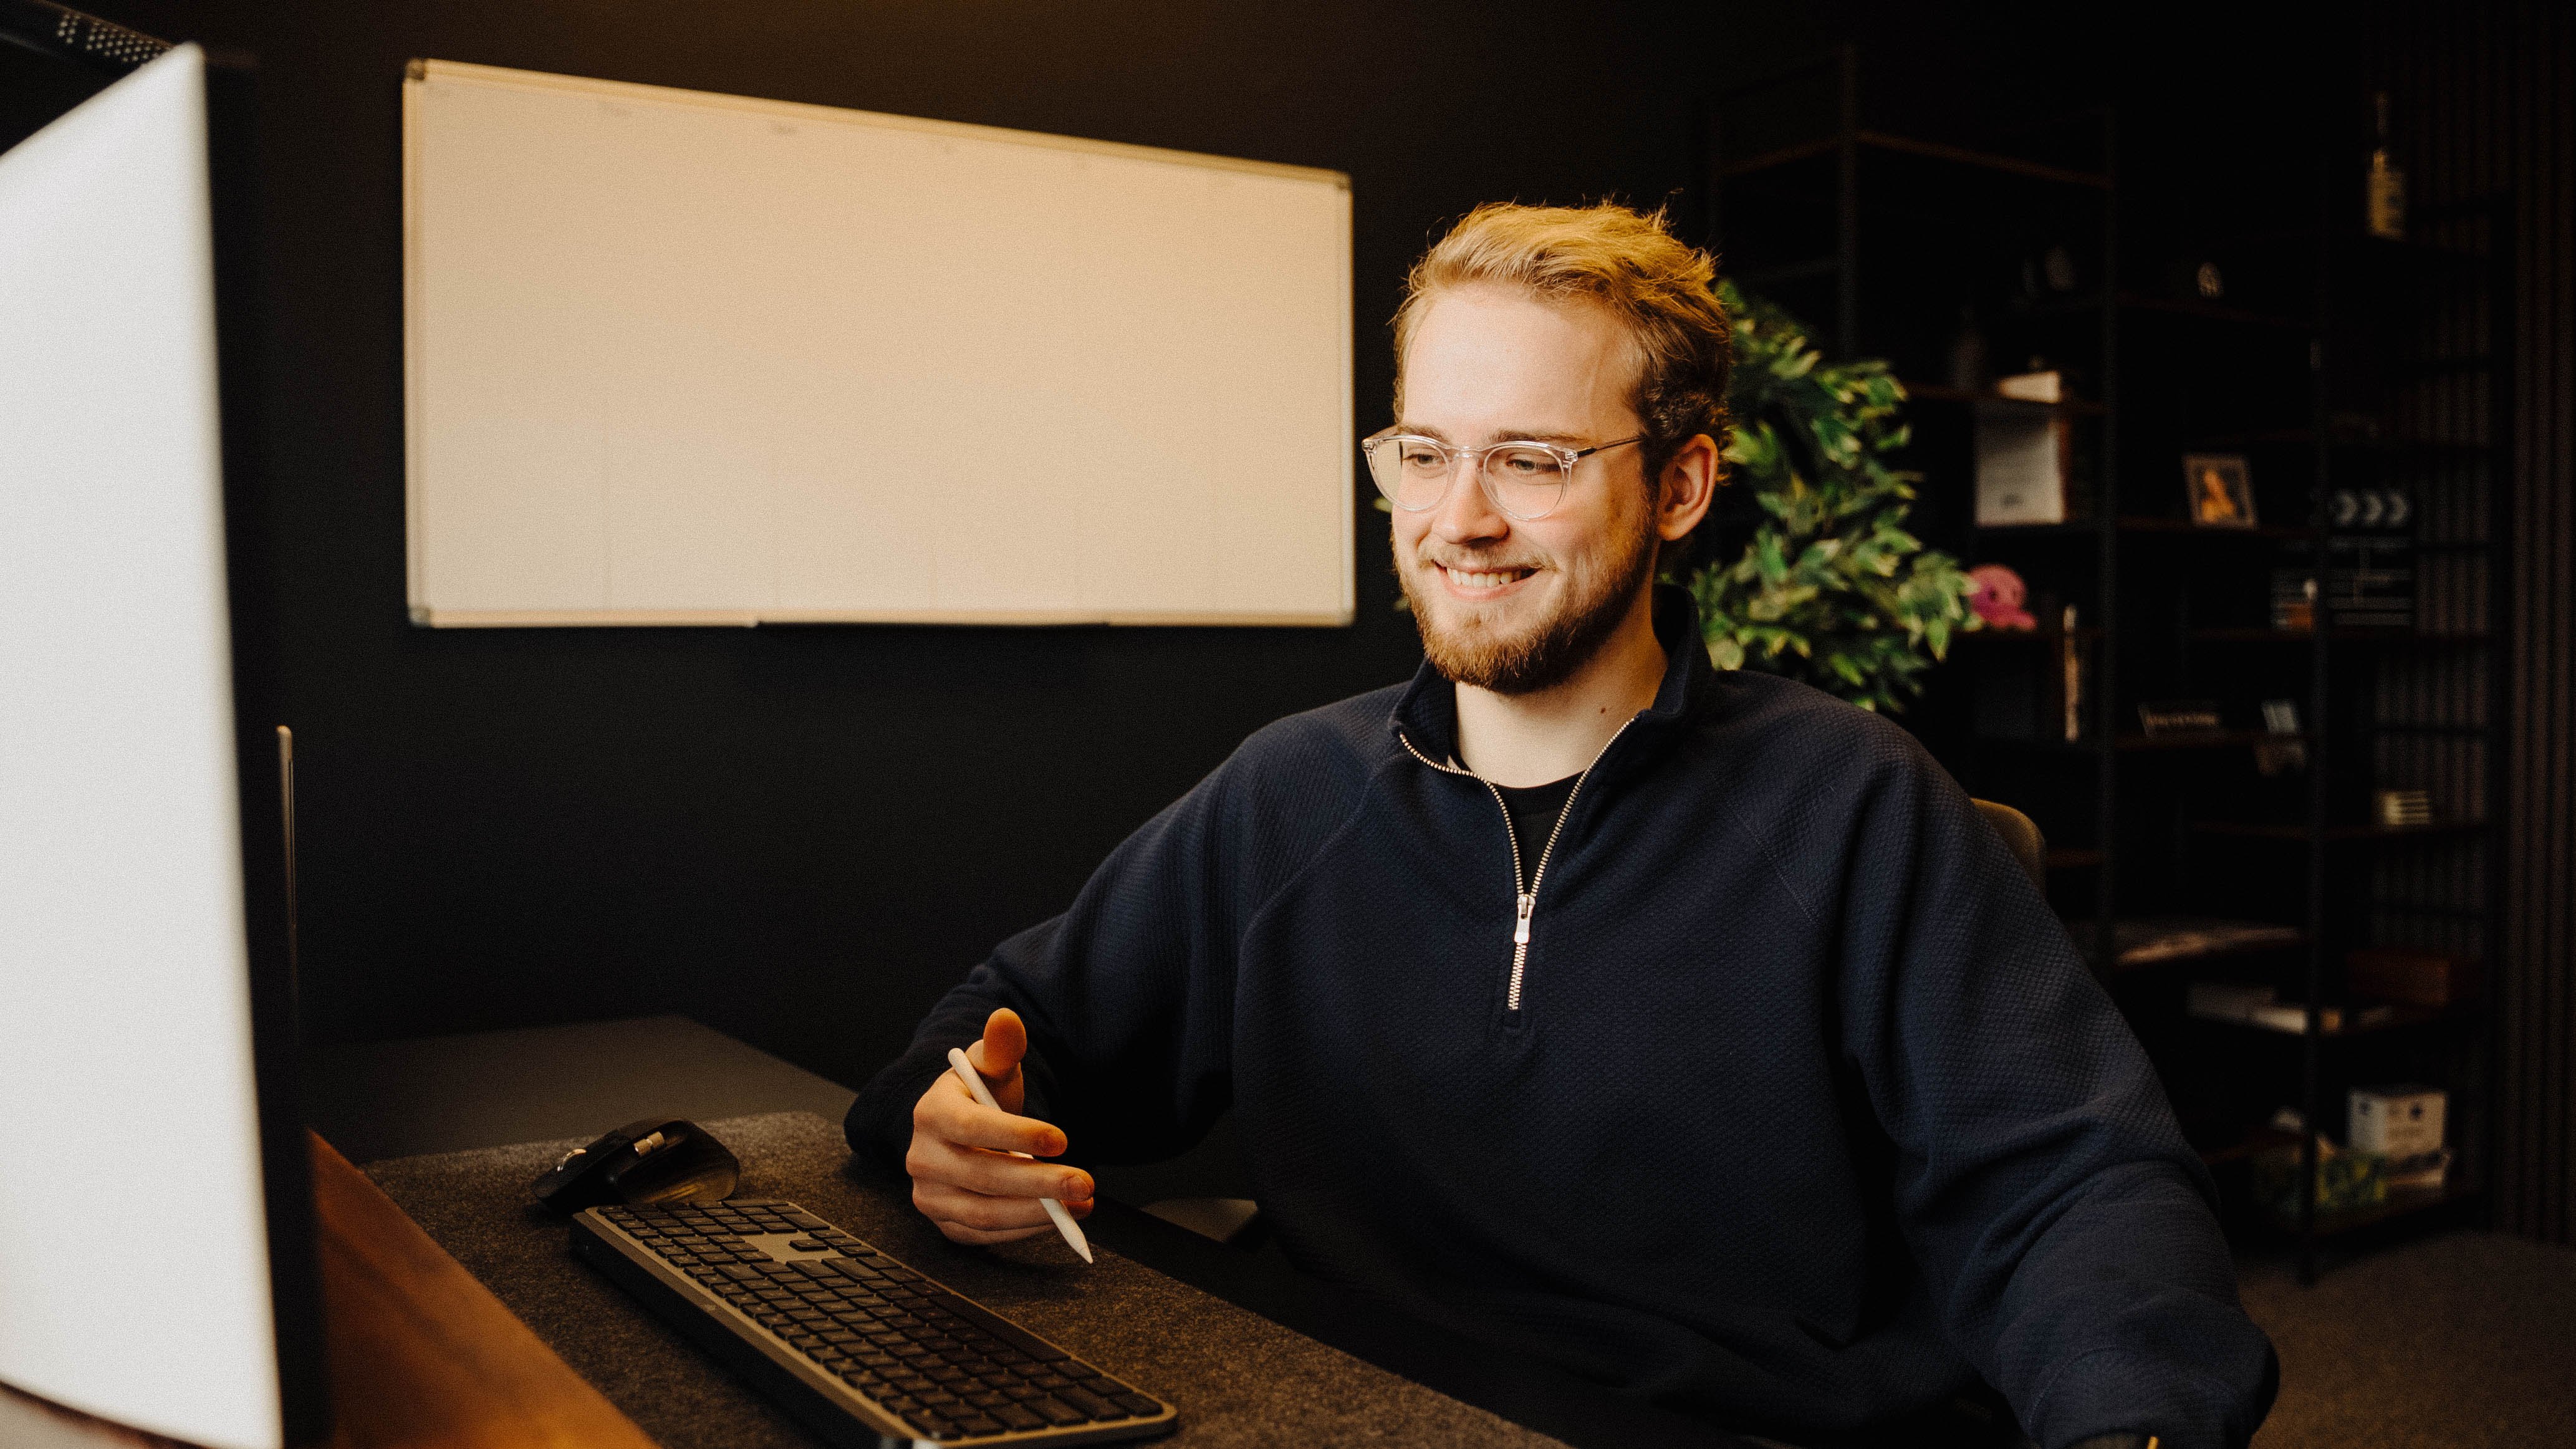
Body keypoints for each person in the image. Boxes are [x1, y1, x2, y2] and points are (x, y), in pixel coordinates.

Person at [848, 203, 2277, 1449]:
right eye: (1423, 451)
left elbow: (2073, 1186)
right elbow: (1012, 1026)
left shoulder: (1852, 806)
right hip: (1332, 1408)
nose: (1456, 518)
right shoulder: (1290, 792)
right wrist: (945, 1113)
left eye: (1530, 459)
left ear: (1679, 486)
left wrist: (2131, 1416)